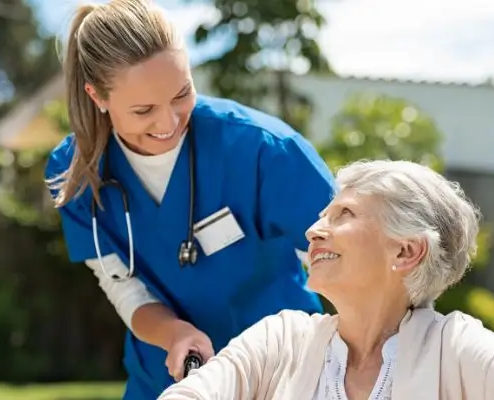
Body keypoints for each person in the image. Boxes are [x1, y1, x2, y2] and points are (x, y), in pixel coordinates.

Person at [43, 0, 335, 398]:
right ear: (97, 96)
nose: (168, 123)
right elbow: (124, 289)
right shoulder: (74, 174)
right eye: (143, 110)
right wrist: (173, 333)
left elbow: (349, 267)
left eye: (182, 93)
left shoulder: (266, 151)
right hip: (167, 380)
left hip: (282, 376)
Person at [158, 160, 494, 400]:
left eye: (344, 215)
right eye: (324, 214)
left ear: (406, 251)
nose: (313, 230)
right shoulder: (280, 340)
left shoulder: (457, 349)